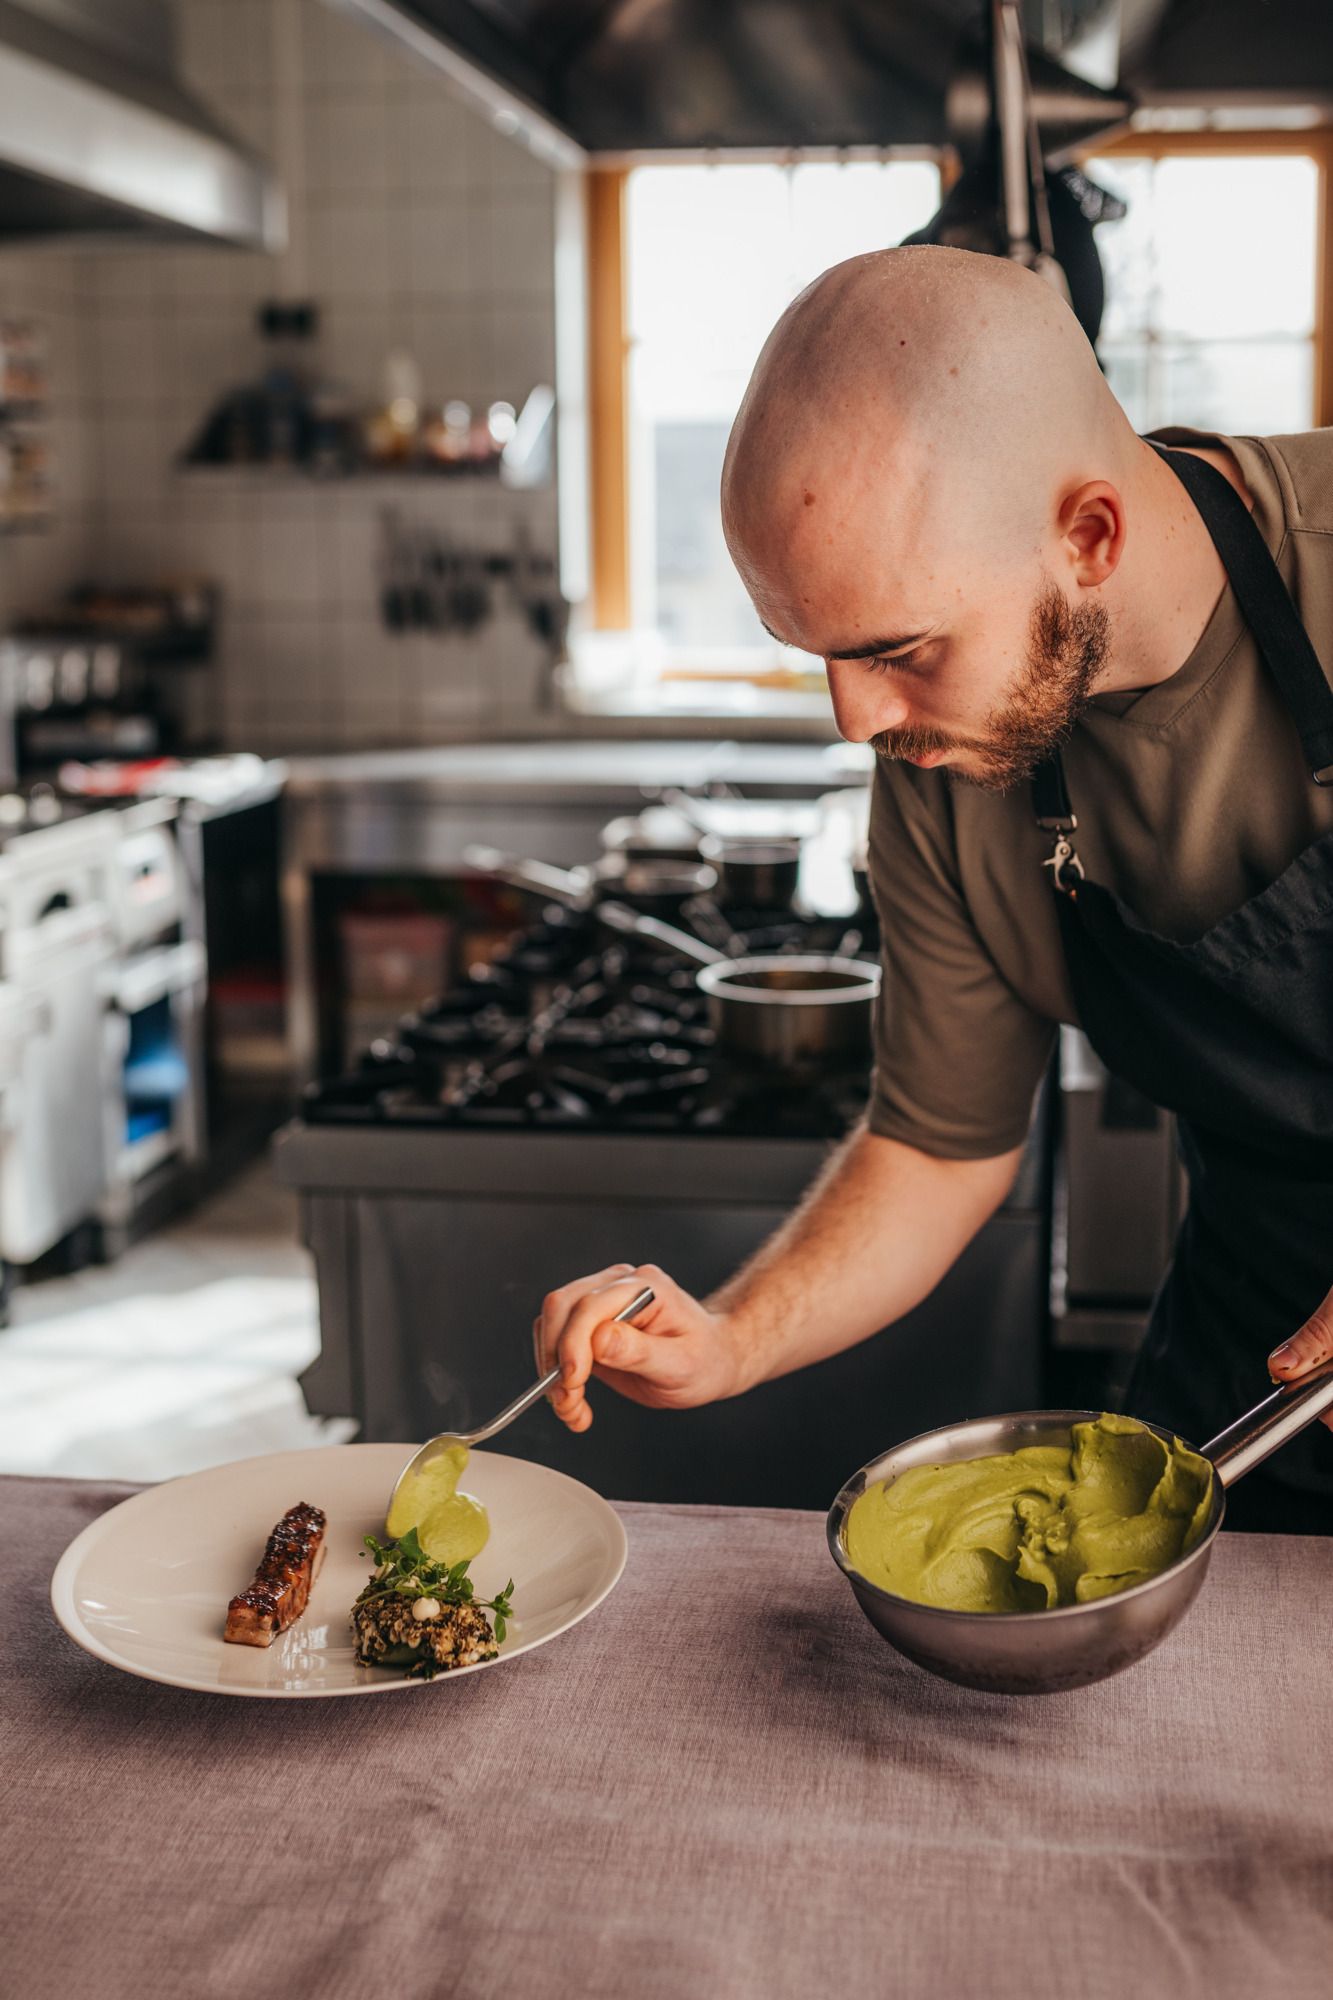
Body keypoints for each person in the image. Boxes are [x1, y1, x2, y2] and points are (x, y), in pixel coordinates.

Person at [536, 245, 1333, 1531]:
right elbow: (936, 1142)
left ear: (1088, 536)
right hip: (1252, 1367)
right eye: (822, 659)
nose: (857, 720)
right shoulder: (948, 758)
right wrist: (732, 1336)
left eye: (898, 649)